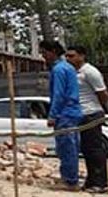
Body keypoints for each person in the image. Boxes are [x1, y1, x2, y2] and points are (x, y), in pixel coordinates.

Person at [66, 45, 108, 194]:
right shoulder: (73, 72)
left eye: (72, 56)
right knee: (86, 150)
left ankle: (101, 183)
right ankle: (91, 181)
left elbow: (103, 94)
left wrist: (101, 112)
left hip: (92, 113)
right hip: (81, 114)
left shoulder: (90, 72)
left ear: (82, 56)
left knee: (95, 149)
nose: (68, 59)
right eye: (67, 56)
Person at [41, 39, 83, 191]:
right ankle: (70, 178)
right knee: (72, 147)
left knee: (66, 148)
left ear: (52, 51)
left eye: (44, 53)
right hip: (73, 112)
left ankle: (70, 181)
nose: (43, 56)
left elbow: (59, 95)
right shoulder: (69, 68)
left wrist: (52, 115)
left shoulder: (58, 70)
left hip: (65, 113)